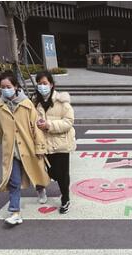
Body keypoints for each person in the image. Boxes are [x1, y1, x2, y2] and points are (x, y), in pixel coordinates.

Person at [0, 70, 50, 225]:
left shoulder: (26, 104)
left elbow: (36, 127)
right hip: (11, 151)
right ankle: (15, 212)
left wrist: (40, 146)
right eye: (3, 87)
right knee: (14, 181)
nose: (5, 90)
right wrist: (3, 141)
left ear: (16, 86)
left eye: (8, 86)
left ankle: (40, 189)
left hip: (28, 147)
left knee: (35, 172)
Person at [33, 71, 76, 214]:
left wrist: (49, 125)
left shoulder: (62, 101)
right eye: (39, 83)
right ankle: (42, 190)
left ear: (51, 84)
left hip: (60, 144)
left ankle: (65, 198)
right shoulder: (35, 102)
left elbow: (68, 122)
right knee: (51, 172)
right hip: (44, 144)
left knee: (62, 174)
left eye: (44, 83)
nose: (42, 86)